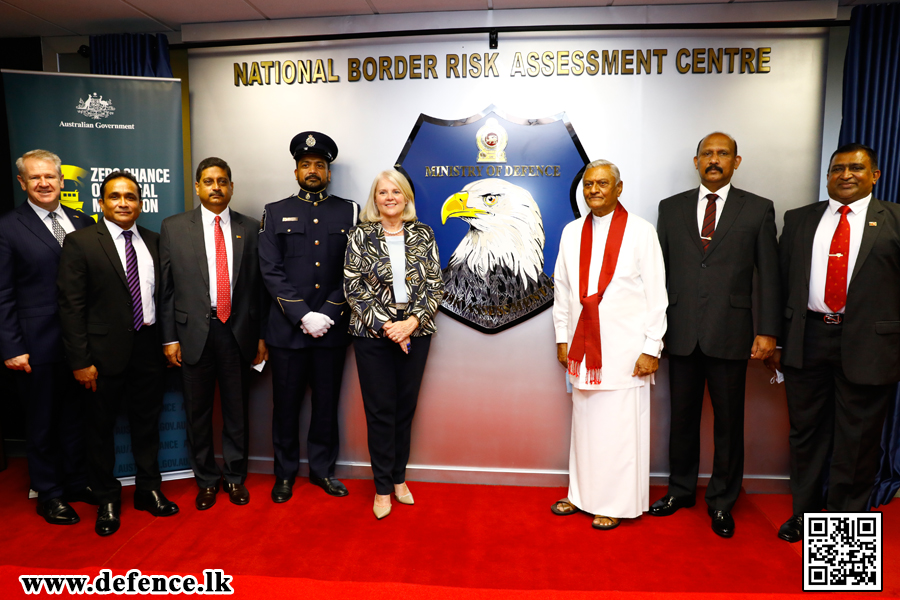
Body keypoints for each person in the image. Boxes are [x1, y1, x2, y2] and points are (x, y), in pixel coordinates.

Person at [767, 143, 898, 543]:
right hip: (808, 338)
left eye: (856, 169)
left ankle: (846, 530)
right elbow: (780, 285)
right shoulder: (800, 219)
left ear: (874, 175)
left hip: (869, 346)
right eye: (837, 169)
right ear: (827, 176)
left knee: (856, 442)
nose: (845, 175)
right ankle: (804, 515)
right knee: (806, 435)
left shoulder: (894, 220)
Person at [653, 132, 780, 538]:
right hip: (682, 331)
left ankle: (723, 501)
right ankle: (680, 491)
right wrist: (653, 332)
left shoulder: (758, 210)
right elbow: (659, 277)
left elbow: (770, 278)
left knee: (729, 423)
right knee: (683, 420)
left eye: (722, 154)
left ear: (736, 162)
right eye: (707, 153)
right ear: (695, 161)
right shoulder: (670, 210)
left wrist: (768, 331)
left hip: (732, 333)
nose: (714, 160)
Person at [58, 170, 178, 536]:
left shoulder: (156, 241)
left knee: (147, 425)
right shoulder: (80, 243)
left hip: (148, 350)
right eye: (115, 197)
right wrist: (80, 361)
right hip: (99, 356)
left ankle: (148, 490)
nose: (123, 203)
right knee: (99, 430)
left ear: (140, 203)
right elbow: (70, 306)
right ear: (102, 203)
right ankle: (108, 498)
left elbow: (166, 297)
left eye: (130, 197)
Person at [551, 159, 667, 530]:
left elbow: (657, 294)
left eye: (602, 183)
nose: (594, 190)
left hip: (626, 350)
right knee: (584, 424)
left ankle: (616, 503)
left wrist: (652, 346)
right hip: (583, 349)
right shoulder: (571, 232)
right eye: (588, 184)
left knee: (619, 428)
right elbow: (563, 291)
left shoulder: (641, 231)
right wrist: (562, 338)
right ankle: (581, 495)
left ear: (619, 188)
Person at [159, 157, 268, 510]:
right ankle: (205, 479)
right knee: (197, 413)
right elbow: (167, 289)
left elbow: (260, 289)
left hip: (237, 333)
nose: (216, 187)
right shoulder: (174, 228)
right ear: (197, 187)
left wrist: (262, 336)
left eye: (222, 181)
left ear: (232, 187)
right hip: (193, 334)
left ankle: (235, 477)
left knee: (237, 412)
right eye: (208, 181)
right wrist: (169, 337)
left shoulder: (251, 228)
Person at [259, 131, 358, 502]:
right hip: (287, 331)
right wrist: (303, 315)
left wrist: (328, 313)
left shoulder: (349, 210)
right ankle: (284, 475)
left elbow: (354, 268)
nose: (313, 170)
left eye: (319, 165)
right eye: (306, 165)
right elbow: (270, 270)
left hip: (331, 330)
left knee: (326, 407)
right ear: (296, 170)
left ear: (328, 172)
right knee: (284, 407)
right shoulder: (273, 211)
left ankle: (322, 471)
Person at [0, 149, 95, 525]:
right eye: (35, 177)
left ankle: (74, 483)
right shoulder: (8, 226)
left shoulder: (83, 221)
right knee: (42, 423)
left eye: (50, 177)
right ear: (22, 182)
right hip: (35, 345)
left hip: (81, 345)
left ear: (61, 180)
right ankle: (49, 493)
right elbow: (2, 292)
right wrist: (11, 346)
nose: (44, 183)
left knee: (76, 418)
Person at [344, 169, 443, 519]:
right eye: (382, 192)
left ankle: (400, 478)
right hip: (373, 334)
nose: (389, 197)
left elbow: (434, 284)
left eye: (395, 192)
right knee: (380, 412)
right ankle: (383, 487)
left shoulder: (424, 234)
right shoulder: (360, 235)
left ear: (406, 198)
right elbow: (354, 287)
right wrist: (390, 327)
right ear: (375, 199)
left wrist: (411, 323)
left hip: (416, 331)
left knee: (405, 409)